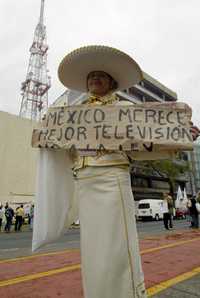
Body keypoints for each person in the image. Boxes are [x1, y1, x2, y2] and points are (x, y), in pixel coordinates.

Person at [32, 45, 199, 298]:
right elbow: (63, 148)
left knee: (117, 246)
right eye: (90, 76)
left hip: (112, 179)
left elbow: (147, 142)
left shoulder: (125, 110)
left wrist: (179, 138)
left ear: (111, 82)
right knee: (93, 249)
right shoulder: (73, 116)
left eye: (100, 76)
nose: (94, 79)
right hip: (85, 182)